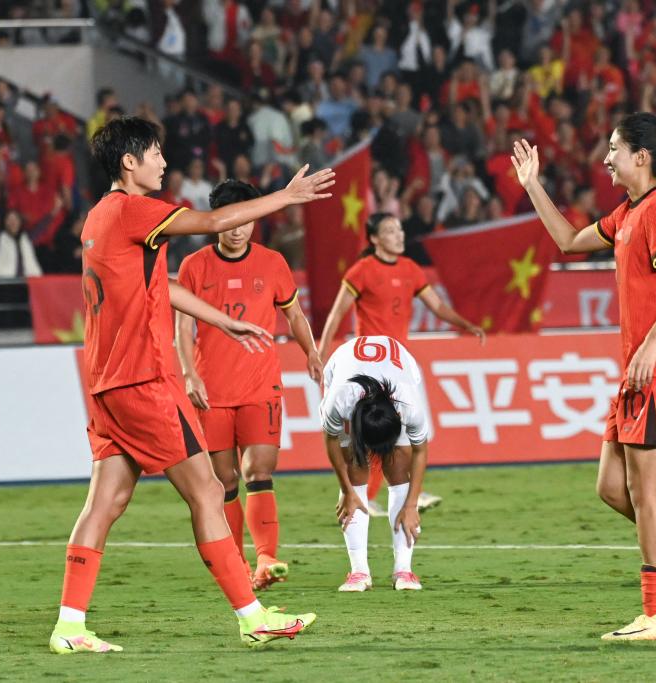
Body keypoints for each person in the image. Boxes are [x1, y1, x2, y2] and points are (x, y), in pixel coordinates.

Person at [48, 116, 334, 654]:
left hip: (107, 383)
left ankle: (69, 626)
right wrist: (286, 196)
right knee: (206, 490)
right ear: (129, 162)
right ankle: (253, 616)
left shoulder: (100, 217)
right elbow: (215, 221)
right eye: (155, 153)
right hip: (145, 381)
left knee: (105, 502)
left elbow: (159, 286)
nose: (163, 162)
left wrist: (221, 320)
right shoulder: (134, 209)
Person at [510, 113, 656, 641]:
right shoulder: (630, 212)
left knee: (647, 491)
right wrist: (532, 186)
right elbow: (568, 241)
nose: (606, 158)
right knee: (615, 488)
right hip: (640, 373)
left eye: (613, 148)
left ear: (641, 156)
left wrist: (652, 344)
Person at [175, 179, 323, 591]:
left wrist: (311, 352)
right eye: (231, 220)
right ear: (217, 220)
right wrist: (189, 373)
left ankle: (267, 557)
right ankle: (238, 564)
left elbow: (295, 315)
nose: (238, 229)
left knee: (258, 469)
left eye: (247, 220)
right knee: (223, 481)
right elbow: (183, 327)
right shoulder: (194, 266)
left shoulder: (273, 263)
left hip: (261, 386)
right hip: (213, 391)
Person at [317, 212, 486, 516]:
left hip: (398, 364)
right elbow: (337, 312)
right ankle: (372, 493)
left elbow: (437, 305)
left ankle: (393, 492)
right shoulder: (362, 270)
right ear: (374, 238)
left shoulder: (410, 269)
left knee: (399, 431)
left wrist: (466, 325)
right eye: (390, 230)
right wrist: (320, 352)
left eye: (399, 229)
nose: (399, 235)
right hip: (368, 366)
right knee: (377, 432)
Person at [321, 335, 428, 592]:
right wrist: (346, 489)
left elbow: (420, 451)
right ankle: (359, 572)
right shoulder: (339, 401)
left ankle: (404, 570)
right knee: (355, 467)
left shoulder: (409, 404)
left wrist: (411, 504)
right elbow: (331, 439)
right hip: (342, 366)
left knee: (398, 465)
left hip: (400, 366)